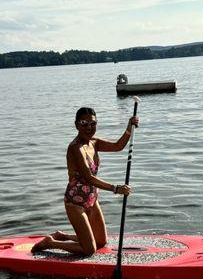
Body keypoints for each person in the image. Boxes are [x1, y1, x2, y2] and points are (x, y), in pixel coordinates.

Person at [31, 106, 139, 256]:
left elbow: (118, 146)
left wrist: (129, 128)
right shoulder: (75, 148)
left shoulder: (94, 142)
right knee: (89, 250)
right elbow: (88, 178)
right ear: (76, 125)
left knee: (101, 242)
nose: (89, 127)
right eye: (84, 123)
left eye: (92, 123)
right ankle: (51, 242)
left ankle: (63, 236)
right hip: (75, 203)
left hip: (92, 200)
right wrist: (116, 188)